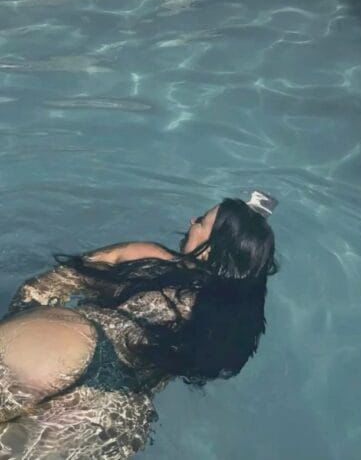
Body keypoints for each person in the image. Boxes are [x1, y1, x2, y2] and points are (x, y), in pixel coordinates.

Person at [0, 191, 278, 458]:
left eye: (201, 222)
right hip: (115, 408)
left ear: (212, 249)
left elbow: (56, 281)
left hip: (69, 340)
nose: (191, 221)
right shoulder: (232, 325)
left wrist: (23, 318)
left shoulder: (150, 256)